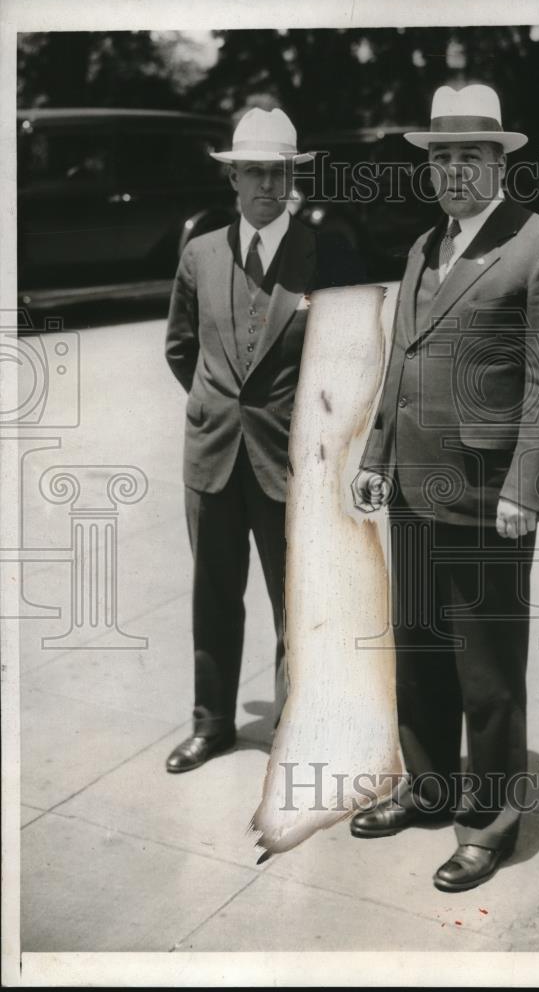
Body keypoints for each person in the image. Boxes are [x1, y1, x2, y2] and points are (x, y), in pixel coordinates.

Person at [350, 84, 539, 892]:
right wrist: (375, 456)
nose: (452, 171)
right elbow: (401, 359)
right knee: (418, 651)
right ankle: (427, 788)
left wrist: (527, 486)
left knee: (485, 670)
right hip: (413, 487)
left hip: (489, 495)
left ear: (499, 163)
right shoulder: (426, 245)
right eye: (441, 157)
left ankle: (488, 822)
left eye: (469, 157)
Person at [165, 106, 361, 773]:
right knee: (213, 595)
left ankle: (295, 729)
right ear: (233, 179)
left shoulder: (328, 251)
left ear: (293, 178)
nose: (267, 186)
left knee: (296, 603)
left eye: (279, 173)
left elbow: (349, 360)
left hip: (291, 460)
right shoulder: (199, 252)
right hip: (213, 454)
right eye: (254, 172)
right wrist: (218, 406)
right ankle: (212, 723)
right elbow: (180, 348)